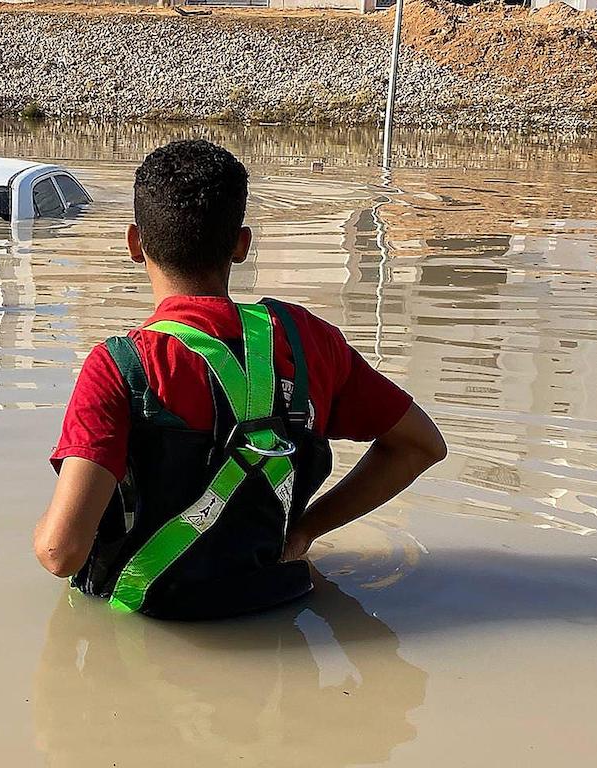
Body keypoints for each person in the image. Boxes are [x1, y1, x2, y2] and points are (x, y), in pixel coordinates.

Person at [33, 139, 447, 620]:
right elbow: (421, 445)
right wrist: (308, 529)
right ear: (242, 245)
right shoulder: (309, 340)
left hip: (151, 622)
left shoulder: (121, 366)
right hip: (277, 603)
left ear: (133, 243)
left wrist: (42, 530)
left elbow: (61, 554)